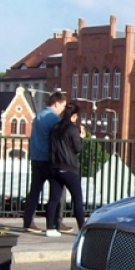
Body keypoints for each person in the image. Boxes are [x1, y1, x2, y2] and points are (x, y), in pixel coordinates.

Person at [21, 91, 68, 233]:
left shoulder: (38, 116)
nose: (63, 109)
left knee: (35, 190)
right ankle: (57, 222)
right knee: (59, 192)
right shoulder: (53, 118)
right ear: (57, 103)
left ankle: (28, 222)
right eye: (63, 106)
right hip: (50, 160)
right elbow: (61, 138)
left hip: (36, 157)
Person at [45, 103, 85, 236]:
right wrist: (81, 138)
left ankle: (50, 228)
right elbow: (78, 148)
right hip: (69, 168)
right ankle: (82, 229)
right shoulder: (73, 129)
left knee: (53, 198)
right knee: (77, 199)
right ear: (74, 116)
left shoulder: (55, 127)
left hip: (54, 167)